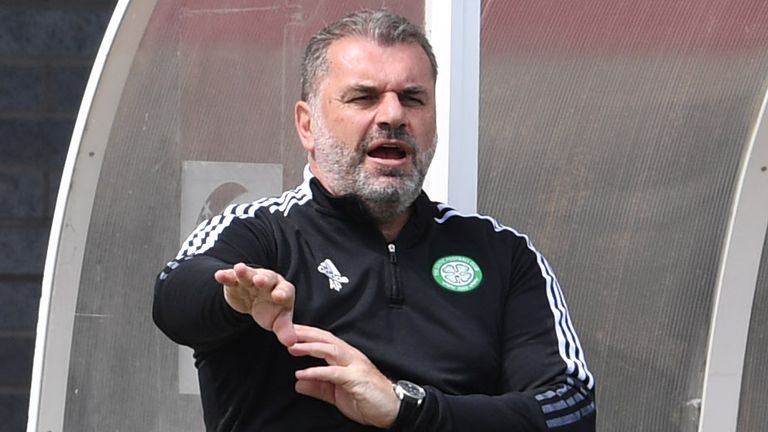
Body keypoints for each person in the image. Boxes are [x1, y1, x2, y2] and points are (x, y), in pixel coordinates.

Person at [153, 8, 596, 431]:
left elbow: (570, 410)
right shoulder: (261, 231)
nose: (393, 116)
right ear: (307, 125)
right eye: (363, 97)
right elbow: (174, 298)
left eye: (413, 98)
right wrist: (237, 300)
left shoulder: (502, 253)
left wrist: (406, 408)